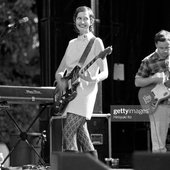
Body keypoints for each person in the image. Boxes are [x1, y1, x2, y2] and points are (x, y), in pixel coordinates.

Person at [54, 6, 109, 158]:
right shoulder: (71, 43)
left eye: (86, 18)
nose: (82, 21)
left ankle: (74, 167)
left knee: (68, 130)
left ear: (91, 21)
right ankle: (95, 166)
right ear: (75, 20)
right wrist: (61, 81)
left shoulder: (96, 42)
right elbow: (60, 70)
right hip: (70, 92)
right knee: (82, 132)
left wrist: (94, 78)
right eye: (79, 18)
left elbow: (105, 72)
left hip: (86, 91)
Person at [135, 30, 170, 152]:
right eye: (162, 48)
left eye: (167, 47)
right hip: (159, 105)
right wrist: (154, 78)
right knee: (159, 146)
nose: (165, 51)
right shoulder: (148, 60)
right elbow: (137, 81)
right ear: (156, 45)